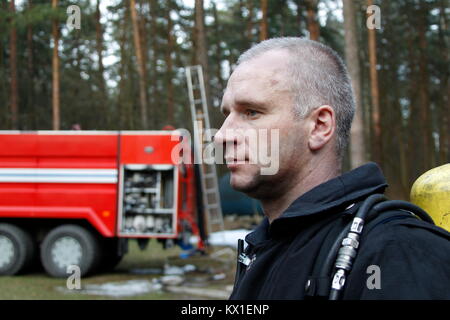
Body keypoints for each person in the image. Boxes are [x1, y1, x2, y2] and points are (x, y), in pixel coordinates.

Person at [213, 37, 450, 300]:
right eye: (227, 114)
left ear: (319, 126)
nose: (222, 136)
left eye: (252, 112)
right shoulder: (265, 246)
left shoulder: (398, 252)